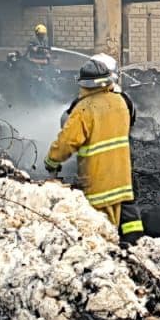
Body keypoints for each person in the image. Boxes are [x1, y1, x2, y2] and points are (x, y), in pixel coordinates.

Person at [45, 59, 143, 242]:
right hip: (123, 175)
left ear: (83, 84)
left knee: (101, 226)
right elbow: (131, 122)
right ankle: (134, 247)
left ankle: (110, 252)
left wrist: (51, 161)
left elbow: (67, 142)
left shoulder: (84, 108)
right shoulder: (122, 101)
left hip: (98, 180)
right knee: (128, 213)